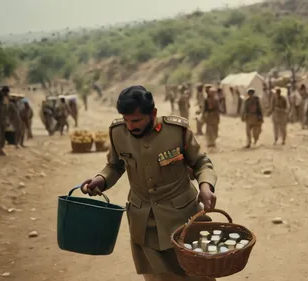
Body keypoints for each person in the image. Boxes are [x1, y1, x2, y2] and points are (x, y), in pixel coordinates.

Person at [80, 85, 217, 281]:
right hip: (144, 224)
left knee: (197, 274)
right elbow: (114, 166)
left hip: (182, 218)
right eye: (126, 120)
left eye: (136, 120)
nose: (130, 126)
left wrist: (206, 187)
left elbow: (201, 163)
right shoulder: (118, 133)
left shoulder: (177, 131)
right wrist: (100, 180)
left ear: (153, 113)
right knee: (157, 277)